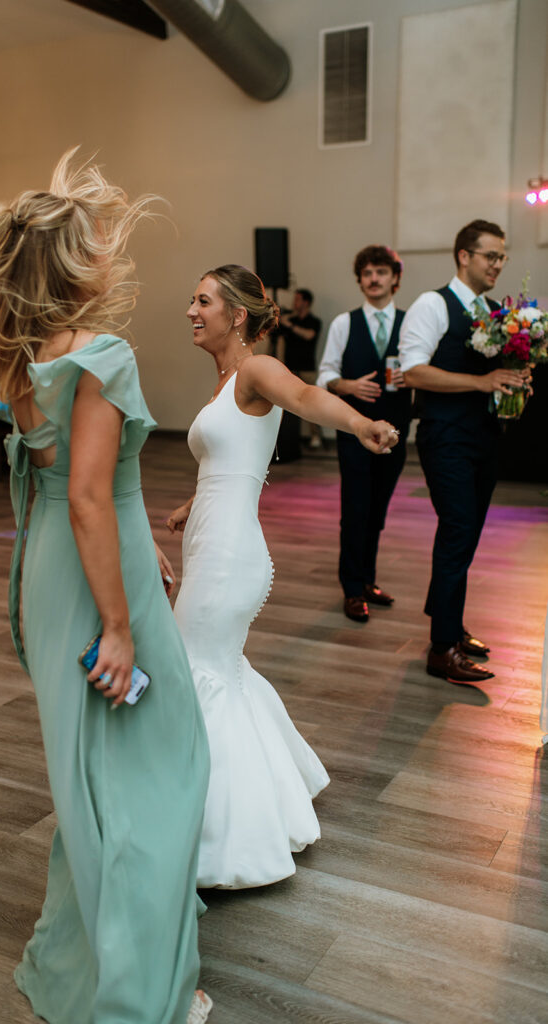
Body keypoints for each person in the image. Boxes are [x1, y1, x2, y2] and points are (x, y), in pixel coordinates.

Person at [0, 150, 212, 1024]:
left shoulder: (15, 356)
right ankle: (136, 993)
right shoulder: (104, 352)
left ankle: (85, 964)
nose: (105, 258)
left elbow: (73, 485)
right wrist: (120, 625)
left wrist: (138, 539)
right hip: (95, 572)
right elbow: (90, 495)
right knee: (165, 767)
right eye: (91, 245)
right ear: (72, 264)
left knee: (91, 776)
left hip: (59, 563)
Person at [166, 264, 398, 889]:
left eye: (203, 300)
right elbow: (234, 460)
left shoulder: (256, 368)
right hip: (212, 543)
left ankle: (218, 841)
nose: (191, 310)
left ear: (237, 315)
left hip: (229, 556)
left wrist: (359, 423)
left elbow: (305, 397)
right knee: (219, 672)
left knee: (199, 674)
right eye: (192, 299)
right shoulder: (223, 383)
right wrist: (194, 503)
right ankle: (263, 803)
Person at [399, 219, 528, 685]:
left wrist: (513, 384)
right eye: (491, 256)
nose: (498, 264)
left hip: (484, 437)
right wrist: (481, 381)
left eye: (502, 257)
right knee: (456, 530)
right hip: (445, 437)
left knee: (469, 531)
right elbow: (412, 372)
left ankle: (449, 620)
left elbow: (491, 374)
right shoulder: (432, 304)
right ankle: (442, 648)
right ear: (464, 256)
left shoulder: (492, 311)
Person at [318, 245, 411, 622]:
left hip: (395, 435)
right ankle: (352, 589)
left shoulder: (411, 323)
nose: (374, 279)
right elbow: (324, 375)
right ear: (360, 280)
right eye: (367, 273)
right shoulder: (344, 323)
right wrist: (349, 386)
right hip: (354, 434)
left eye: (381, 272)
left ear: (395, 278)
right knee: (355, 510)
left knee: (378, 512)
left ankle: (368, 580)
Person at [276, 288, 323, 456]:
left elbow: (309, 335)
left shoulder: (314, 321)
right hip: (290, 369)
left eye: (297, 300)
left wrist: (289, 324)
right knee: (287, 406)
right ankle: (289, 439)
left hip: (307, 368)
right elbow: (276, 336)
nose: (294, 303)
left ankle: (315, 437)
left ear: (306, 302)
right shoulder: (290, 319)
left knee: (312, 404)